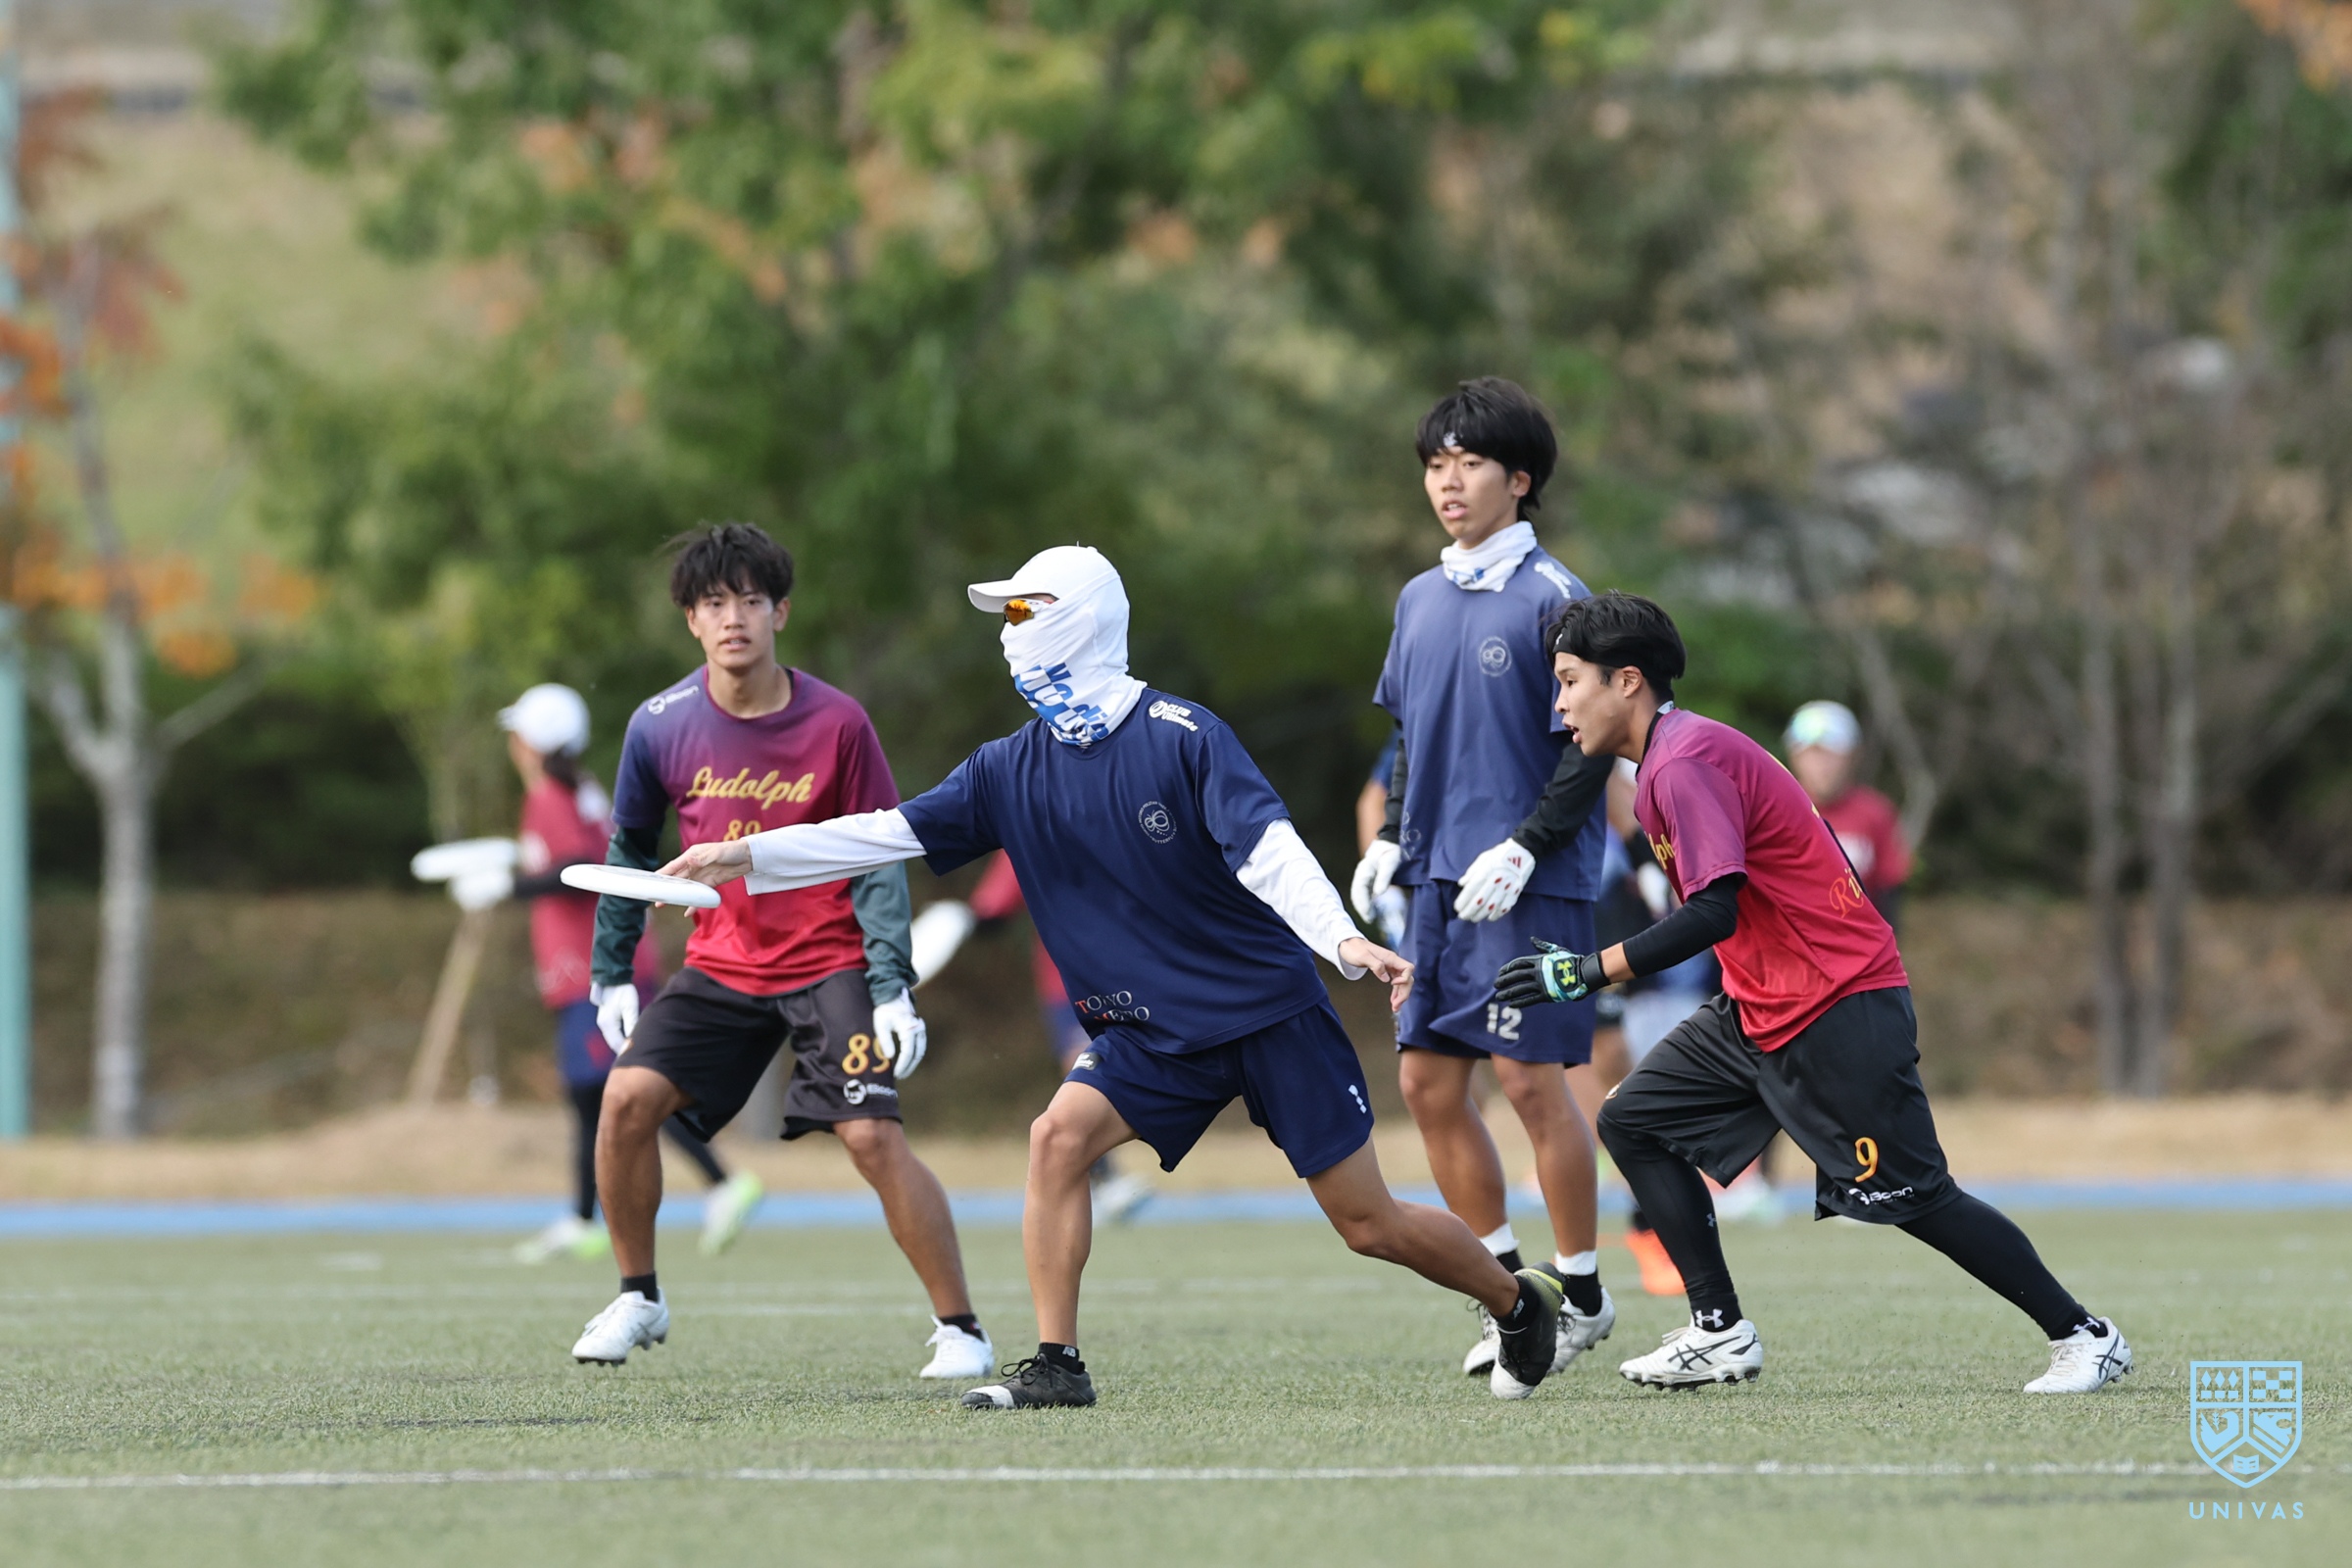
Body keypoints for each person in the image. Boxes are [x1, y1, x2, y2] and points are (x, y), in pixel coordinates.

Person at [661, 545, 1571, 1408]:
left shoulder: (1183, 735)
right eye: (1006, 614)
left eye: (1026, 610)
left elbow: (1269, 850)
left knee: (1367, 1223)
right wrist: (743, 856)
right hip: (1147, 1032)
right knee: (1057, 1138)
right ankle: (1058, 1366)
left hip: (1266, 1012)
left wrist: (1342, 940)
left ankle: (1517, 1301)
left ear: (1085, 619)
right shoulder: (1008, 766)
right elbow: (881, 833)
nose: (1011, 630)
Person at [1495, 591, 2132, 1394]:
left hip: (1837, 1004)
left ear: (1627, 681)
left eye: (1568, 681)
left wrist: (1584, 971)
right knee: (1632, 1120)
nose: (1558, 705)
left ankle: (2085, 1335)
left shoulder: (1685, 761)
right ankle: (1719, 1331)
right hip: (1762, 1005)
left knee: (1916, 1199)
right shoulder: (1667, 760)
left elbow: (1713, 911)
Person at [566, 523, 992, 1382]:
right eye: (714, 603)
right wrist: (611, 972)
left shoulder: (839, 722)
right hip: (721, 964)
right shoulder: (657, 726)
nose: (734, 619)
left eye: (751, 601)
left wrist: (891, 983)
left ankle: (962, 1329)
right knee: (625, 1102)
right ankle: (639, 1296)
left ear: (781, 613)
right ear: (691, 620)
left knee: (870, 1137)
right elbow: (629, 853)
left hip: (830, 959)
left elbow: (879, 852)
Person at [1349, 378, 1617, 1380]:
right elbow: (1410, 735)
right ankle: (1513, 1295)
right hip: (1435, 885)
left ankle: (1582, 1294)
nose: (1448, 482)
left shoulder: (1556, 597)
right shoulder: (1418, 598)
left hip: (1529, 884)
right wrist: (1390, 841)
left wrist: (1527, 846)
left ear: (1521, 478)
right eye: (1435, 463)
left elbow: (1591, 746)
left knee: (1529, 1083)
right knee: (1425, 1083)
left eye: (1469, 462)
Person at [494, 682, 762, 1265]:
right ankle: (584, 1218)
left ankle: (721, 1183)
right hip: (606, 958)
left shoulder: (550, 795)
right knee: (593, 1095)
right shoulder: (579, 788)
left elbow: (573, 867)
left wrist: (507, 886)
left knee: (628, 1086)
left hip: (591, 963)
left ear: (533, 740)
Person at [917, 851, 1155, 1221]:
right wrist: (964, 921)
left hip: (1138, 969)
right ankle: (1104, 1180)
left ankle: (1105, 1176)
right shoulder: (1024, 834)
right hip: (1072, 979)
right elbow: (993, 910)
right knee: (1085, 1066)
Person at [1784, 701, 1912, 928]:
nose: (1822, 765)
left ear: (1853, 756)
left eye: (1832, 754)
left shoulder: (1876, 813)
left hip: (1858, 940)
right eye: (1812, 754)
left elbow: (1890, 890)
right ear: (1794, 757)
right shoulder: (1777, 811)